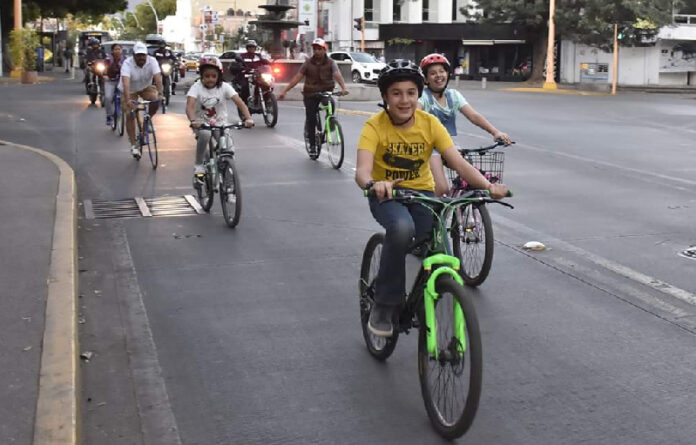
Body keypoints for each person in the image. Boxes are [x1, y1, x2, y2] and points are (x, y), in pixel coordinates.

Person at [354, 59, 509, 337]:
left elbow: (458, 164)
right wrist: (374, 183)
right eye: (396, 93)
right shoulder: (374, 126)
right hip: (387, 196)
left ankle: (426, 296)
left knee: (438, 249)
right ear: (385, 97)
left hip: (423, 195)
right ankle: (384, 305)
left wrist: (488, 185)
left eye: (411, 93)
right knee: (402, 229)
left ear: (418, 94)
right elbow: (362, 171)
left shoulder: (430, 123)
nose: (404, 100)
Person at [418, 53, 512, 196]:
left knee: (471, 177)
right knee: (441, 188)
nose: (438, 76)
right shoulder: (423, 96)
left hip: (447, 145)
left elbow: (473, 116)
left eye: (442, 71)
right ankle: (429, 217)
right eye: (432, 73)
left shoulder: (453, 95)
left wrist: (495, 132)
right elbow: (415, 114)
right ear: (426, 78)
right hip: (429, 147)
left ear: (448, 74)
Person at [185, 56, 254, 182]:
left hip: (221, 123)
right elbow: (190, 104)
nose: (210, 79)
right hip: (201, 123)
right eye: (207, 76)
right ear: (201, 76)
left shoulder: (225, 87)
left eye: (213, 76)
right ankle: (199, 165)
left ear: (219, 76)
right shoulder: (196, 87)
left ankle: (228, 185)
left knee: (228, 150)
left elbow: (240, 102)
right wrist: (193, 120)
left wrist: (248, 118)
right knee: (205, 134)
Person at [278, 38, 349, 154]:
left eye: (319, 49)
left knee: (331, 104)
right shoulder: (307, 63)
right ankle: (312, 144)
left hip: (326, 91)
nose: (317, 51)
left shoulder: (331, 62)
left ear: (324, 50)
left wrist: (344, 88)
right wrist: (285, 90)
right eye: (315, 49)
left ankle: (330, 124)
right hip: (310, 93)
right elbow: (297, 78)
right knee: (311, 118)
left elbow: (337, 75)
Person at [120, 42, 164, 159]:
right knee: (130, 114)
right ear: (133, 55)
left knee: (155, 100)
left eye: (143, 55)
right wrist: (128, 100)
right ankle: (134, 145)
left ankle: (147, 120)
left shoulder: (152, 61)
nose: (141, 58)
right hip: (130, 90)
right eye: (138, 55)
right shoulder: (127, 63)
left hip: (145, 87)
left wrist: (160, 93)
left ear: (146, 55)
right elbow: (126, 83)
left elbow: (158, 78)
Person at [234, 40, 269, 106]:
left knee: (267, 85)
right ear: (247, 48)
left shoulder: (258, 56)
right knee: (245, 87)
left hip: (258, 76)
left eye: (253, 47)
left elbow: (265, 62)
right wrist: (243, 67)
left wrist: (270, 64)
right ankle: (244, 104)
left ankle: (266, 100)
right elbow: (238, 63)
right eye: (250, 47)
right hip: (247, 76)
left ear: (255, 48)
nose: (251, 48)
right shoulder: (242, 56)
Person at [104, 43, 124, 127]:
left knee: (126, 98)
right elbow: (104, 69)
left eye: (119, 49)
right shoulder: (108, 59)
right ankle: (109, 116)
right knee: (108, 97)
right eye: (116, 49)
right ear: (112, 51)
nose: (117, 51)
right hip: (110, 81)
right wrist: (105, 75)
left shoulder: (125, 60)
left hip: (121, 81)